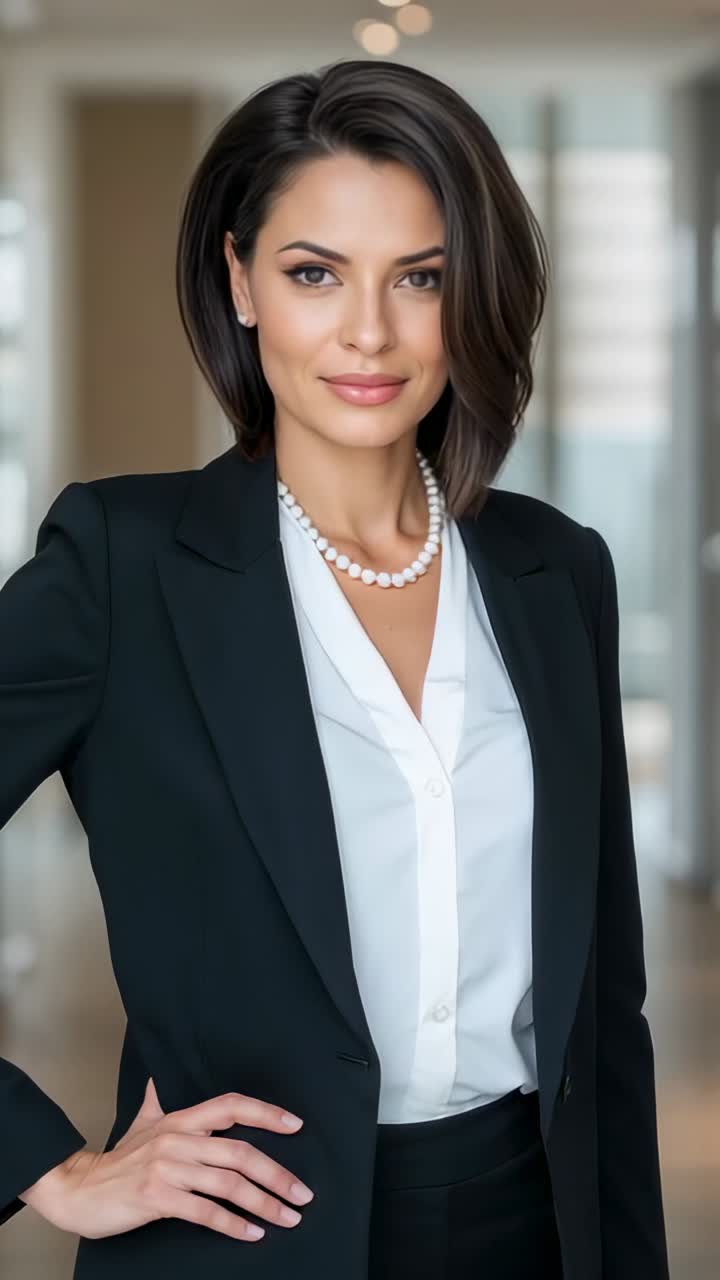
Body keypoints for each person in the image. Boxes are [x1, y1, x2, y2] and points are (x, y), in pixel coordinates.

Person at [0, 58, 670, 1279]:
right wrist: (45, 1165)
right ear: (241, 280)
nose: (370, 331)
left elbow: (603, 1009)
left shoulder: (555, 570)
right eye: (316, 273)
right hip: (237, 1242)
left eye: (421, 278)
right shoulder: (121, 563)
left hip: (533, 1227)